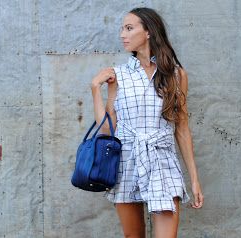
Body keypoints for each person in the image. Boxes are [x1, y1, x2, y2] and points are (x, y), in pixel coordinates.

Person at [90, 7, 204, 238]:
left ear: (149, 32)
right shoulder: (118, 75)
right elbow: (106, 129)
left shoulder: (176, 74)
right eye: (122, 28)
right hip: (126, 161)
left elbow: (181, 128)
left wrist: (194, 179)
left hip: (162, 161)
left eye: (129, 28)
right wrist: (95, 89)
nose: (123, 34)